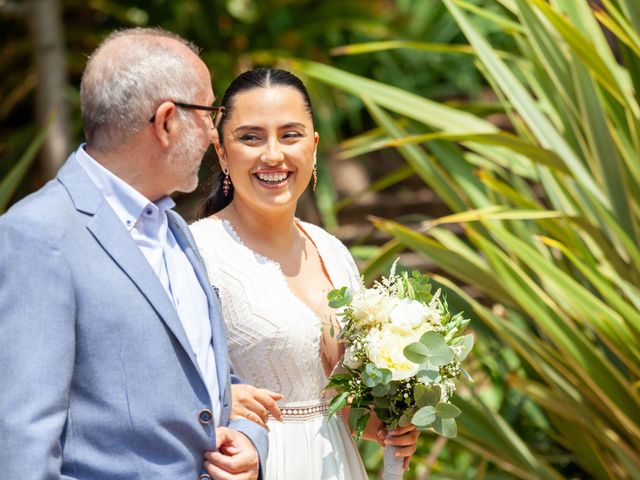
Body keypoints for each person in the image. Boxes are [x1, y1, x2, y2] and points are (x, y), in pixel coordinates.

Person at [0, 28, 267, 479]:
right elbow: (23, 438)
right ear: (166, 122)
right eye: (209, 112)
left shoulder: (176, 228)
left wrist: (247, 439)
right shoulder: (38, 234)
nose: (213, 132)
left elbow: (211, 381)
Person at [190, 68, 419, 479]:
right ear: (222, 152)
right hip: (253, 465)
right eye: (250, 137)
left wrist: (388, 426)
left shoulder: (332, 250)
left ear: (313, 147)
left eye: (290, 135)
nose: (273, 155)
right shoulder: (196, 253)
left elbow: (340, 403)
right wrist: (220, 399)